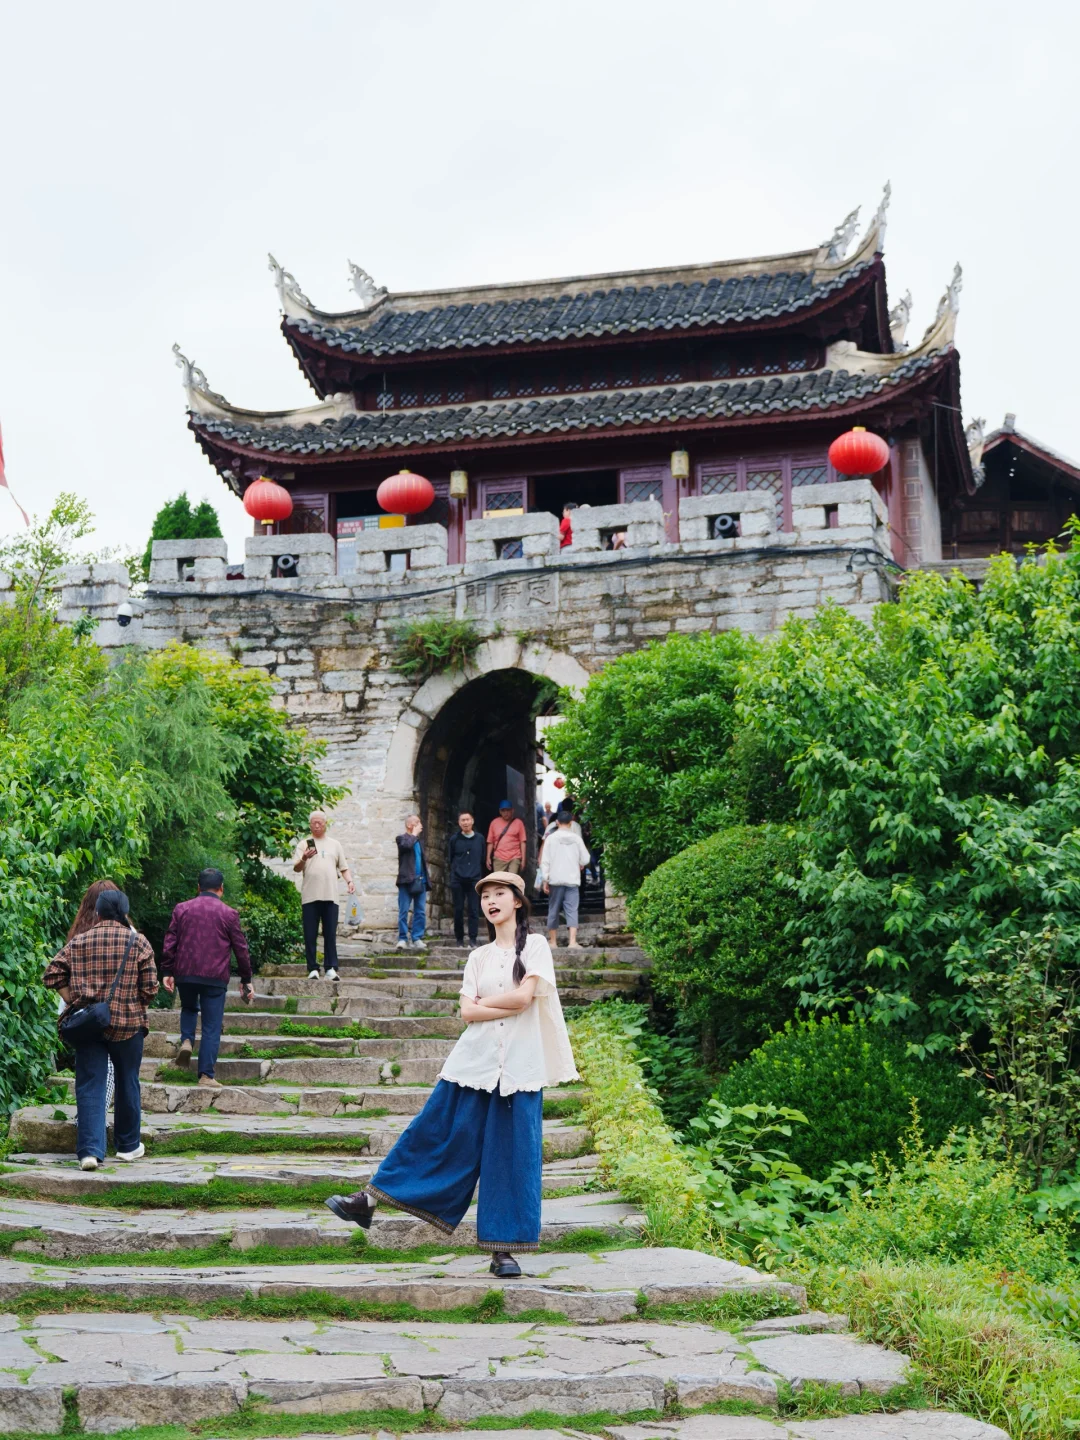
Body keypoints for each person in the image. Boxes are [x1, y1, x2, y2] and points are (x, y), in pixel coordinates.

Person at [324, 871, 578, 1277]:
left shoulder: (534, 947)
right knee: (434, 1134)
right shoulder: (477, 958)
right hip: (472, 1064)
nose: (491, 901)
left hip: (519, 1070)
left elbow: (524, 999)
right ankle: (367, 1201)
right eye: (486, 896)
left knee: (512, 1158)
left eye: (500, 894)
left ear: (517, 901)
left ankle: (503, 1252)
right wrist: (498, 1004)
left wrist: (486, 1005)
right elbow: (467, 1012)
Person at [43, 890, 157, 1172]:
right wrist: (132, 1003)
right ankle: (128, 1147)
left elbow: (52, 974)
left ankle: (90, 1152)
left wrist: (73, 999)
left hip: (90, 1024)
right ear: (124, 912)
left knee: (90, 1084)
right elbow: (150, 988)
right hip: (128, 1025)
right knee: (127, 1081)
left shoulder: (79, 941)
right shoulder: (138, 942)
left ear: (97, 913)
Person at [161, 868, 254, 1090]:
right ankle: (206, 1075)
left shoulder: (182, 909)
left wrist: (167, 971)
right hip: (215, 977)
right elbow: (241, 949)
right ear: (221, 888)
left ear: (198, 887)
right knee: (211, 1026)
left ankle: (186, 1040)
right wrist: (246, 978)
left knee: (189, 1008)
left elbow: (170, 941)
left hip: (186, 973)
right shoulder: (229, 914)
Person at [292, 810, 355, 981]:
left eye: (320, 822)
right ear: (310, 824)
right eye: (314, 822)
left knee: (330, 933)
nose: (317, 825)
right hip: (310, 896)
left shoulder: (335, 844)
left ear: (325, 824)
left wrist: (349, 882)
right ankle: (312, 968)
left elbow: (343, 867)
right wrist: (304, 858)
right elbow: (296, 868)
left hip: (331, 895)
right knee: (310, 934)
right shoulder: (304, 844)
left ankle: (330, 968)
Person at [541, 810, 591, 950]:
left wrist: (545, 879)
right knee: (572, 910)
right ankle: (572, 942)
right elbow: (586, 859)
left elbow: (545, 861)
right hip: (572, 879)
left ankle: (553, 942)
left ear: (557, 822)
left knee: (553, 909)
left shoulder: (551, 839)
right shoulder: (576, 838)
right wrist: (578, 861)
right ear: (571, 823)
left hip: (555, 879)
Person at [447, 811, 485, 948]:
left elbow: (482, 857)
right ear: (459, 823)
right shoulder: (454, 839)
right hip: (458, 878)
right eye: (462, 820)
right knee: (458, 910)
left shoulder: (480, 839)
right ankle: (459, 939)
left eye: (468, 819)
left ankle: (473, 939)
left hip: (474, 878)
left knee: (473, 910)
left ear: (472, 821)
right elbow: (450, 858)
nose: (465, 822)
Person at [396, 814, 430, 950]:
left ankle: (417, 938)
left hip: (420, 881)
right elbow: (406, 846)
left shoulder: (419, 842)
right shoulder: (401, 839)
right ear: (410, 825)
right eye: (418, 822)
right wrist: (414, 834)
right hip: (406, 881)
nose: (421, 825)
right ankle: (402, 938)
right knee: (403, 911)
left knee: (420, 911)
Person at [486, 801, 527, 875]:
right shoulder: (494, 823)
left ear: (512, 811)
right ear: (500, 812)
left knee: (511, 879)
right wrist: (488, 857)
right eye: (503, 810)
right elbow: (490, 842)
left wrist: (523, 859)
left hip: (514, 856)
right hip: (499, 857)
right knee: (499, 880)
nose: (506, 813)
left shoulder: (519, 823)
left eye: (508, 810)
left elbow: (523, 842)